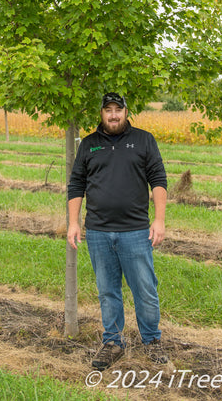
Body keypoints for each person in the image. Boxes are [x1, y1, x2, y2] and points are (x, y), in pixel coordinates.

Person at [67, 92, 169, 370]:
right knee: (107, 291)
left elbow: (158, 179)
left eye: (118, 109)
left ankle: (151, 340)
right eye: (108, 110)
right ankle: (113, 342)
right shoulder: (89, 145)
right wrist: (74, 223)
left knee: (145, 289)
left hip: (135, 231)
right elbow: (76, 184)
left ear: (126, 111)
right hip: (99, 232)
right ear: (101, 113)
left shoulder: (144, 140)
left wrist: (158, 220)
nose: (113, 115)